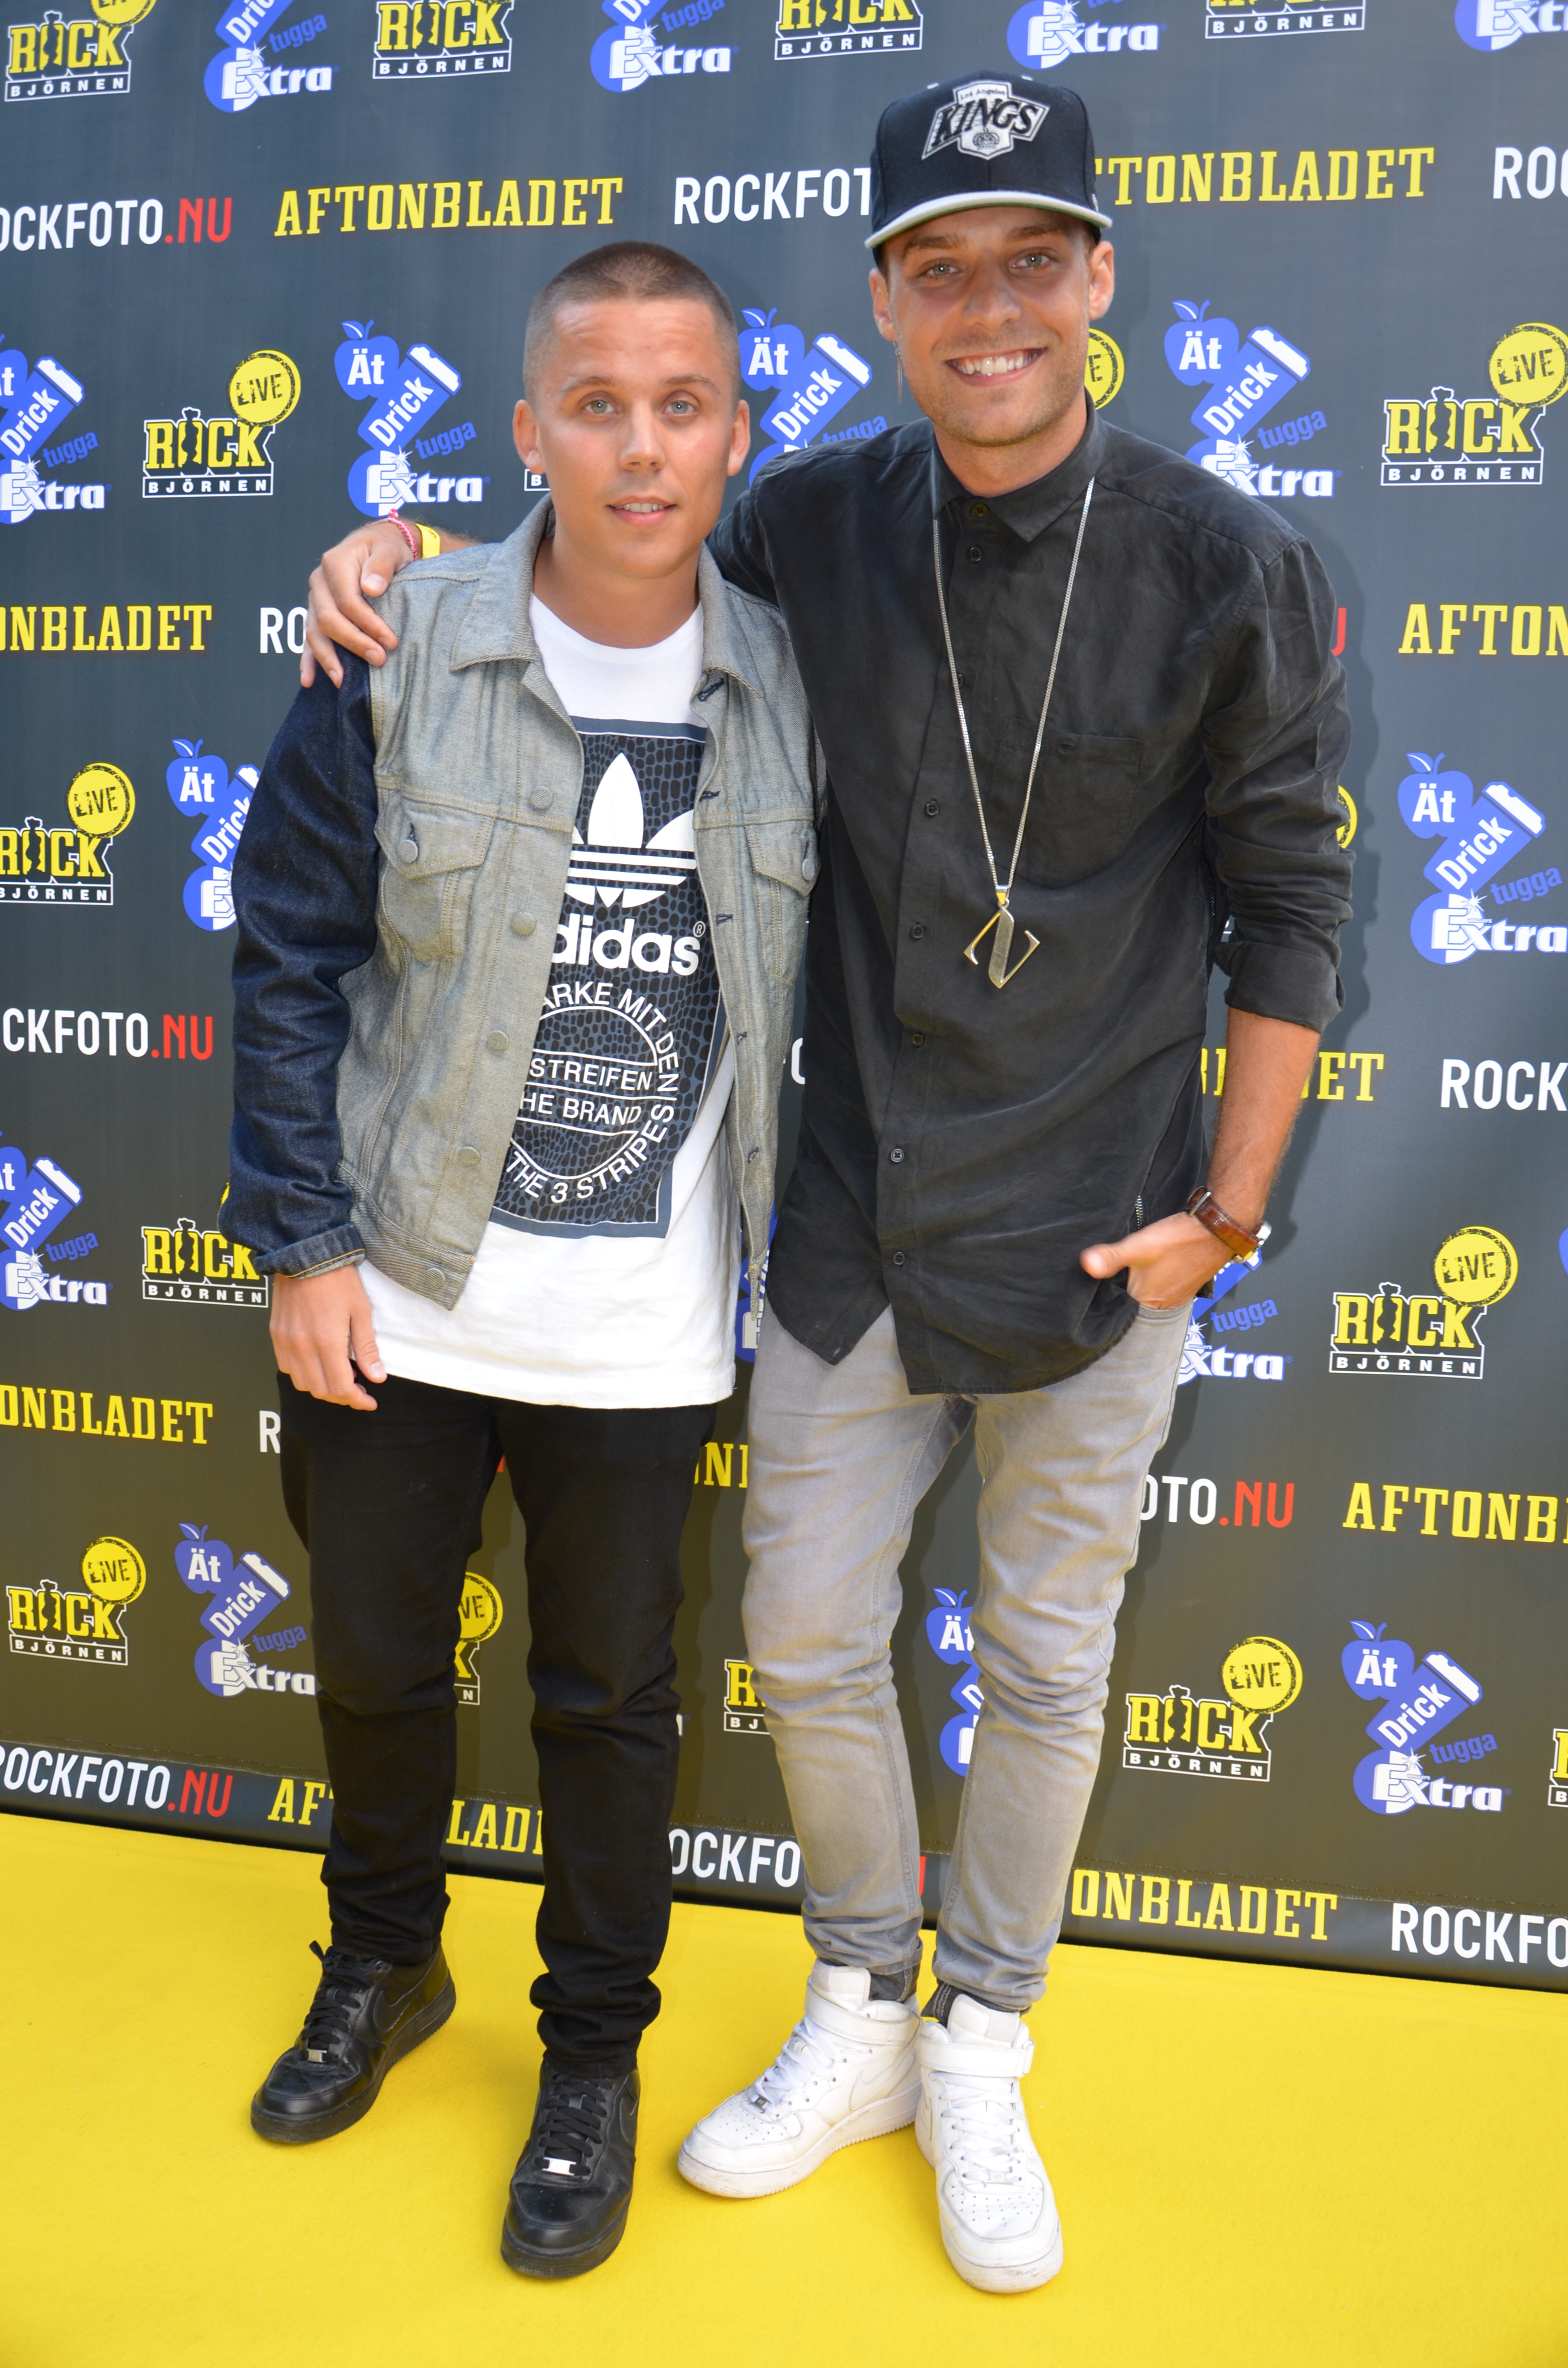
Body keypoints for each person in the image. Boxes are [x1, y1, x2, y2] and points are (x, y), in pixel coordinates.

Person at [299, 72, 1353, 2296]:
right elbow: (600, 558)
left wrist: (1230, 1210)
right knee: (797, 1636)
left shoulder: (1227, 562)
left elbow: (1294, 909)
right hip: (851, 1227)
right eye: (941, 266)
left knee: (1046, 1664)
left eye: (1032, 258)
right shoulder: (807, 529)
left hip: (1108, 1235)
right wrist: (391, 559)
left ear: (1099, 279)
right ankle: (865, 1997)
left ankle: (983, 2039)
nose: (992, 307)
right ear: (883, 300)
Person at [226, 242, 818, 2281]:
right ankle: (385, 1960)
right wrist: (303, 1244)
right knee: (378, 1665)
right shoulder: (400, 644)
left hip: (645, 1331)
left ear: (738, 431)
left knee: (610, 1703)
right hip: (396, 1289)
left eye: (683, 405)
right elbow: (288, 956)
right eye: (599, 404)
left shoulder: (803, 672)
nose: (642, 447)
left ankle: (591, 2054)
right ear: (529, 430)